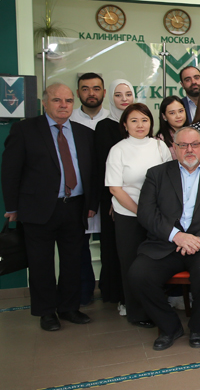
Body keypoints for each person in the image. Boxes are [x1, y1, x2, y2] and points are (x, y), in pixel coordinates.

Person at [2, 84, 98, 331]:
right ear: (44, 103)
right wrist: (12, 206)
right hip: (38, 209)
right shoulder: (25, 130)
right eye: (57, 100)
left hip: (75, 207)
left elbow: (91, 172)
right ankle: (46, 312)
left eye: (68, 100)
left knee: (72, 261)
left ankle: (69, 308)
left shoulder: (84, 133)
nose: (63, 105)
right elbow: (10, 170)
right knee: (40, 263)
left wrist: (91, 204)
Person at [127, 127, 200, 350]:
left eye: (194, 144)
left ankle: (197, 327)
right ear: (174, 149)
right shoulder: (156, 174)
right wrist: (176, 236)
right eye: (183, 145)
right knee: (138, 275)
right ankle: (170, 327)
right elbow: (146, 213)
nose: (189, 149)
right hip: (166, 243)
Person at [105, 103, 172, 328]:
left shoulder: (159, 146)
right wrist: (141, 213)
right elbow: (115, 188)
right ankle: (137, 312)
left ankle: (158, 307)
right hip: (128, 215)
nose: (140, 125)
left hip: (158, 216)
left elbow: (169, 180)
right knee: (131, 264)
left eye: (144, 120)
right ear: (125, 124)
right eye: (134, 120)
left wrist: (154, 214)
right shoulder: (118, 150)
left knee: (156, 262)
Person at [94, 78, 135, 309]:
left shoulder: (138, 123)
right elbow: (102, 166)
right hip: (113, 199)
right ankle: (119, 296)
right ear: (110, 97)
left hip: (137, 200)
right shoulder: (104, 126)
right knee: (116, 251)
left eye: (128, 94)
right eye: (118, 95)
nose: (124, 99)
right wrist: (113, 198)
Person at [69, 72, 108, 306]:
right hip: (79, 194)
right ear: (78, 93)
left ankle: (108, 290)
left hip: (107, 193)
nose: (91, 93)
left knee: (109, 245)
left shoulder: (113, 119)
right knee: (79, 246)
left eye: (96, 88)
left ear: (104, 92)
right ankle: (83, 293)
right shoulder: (69, 120)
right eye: (85, 89)